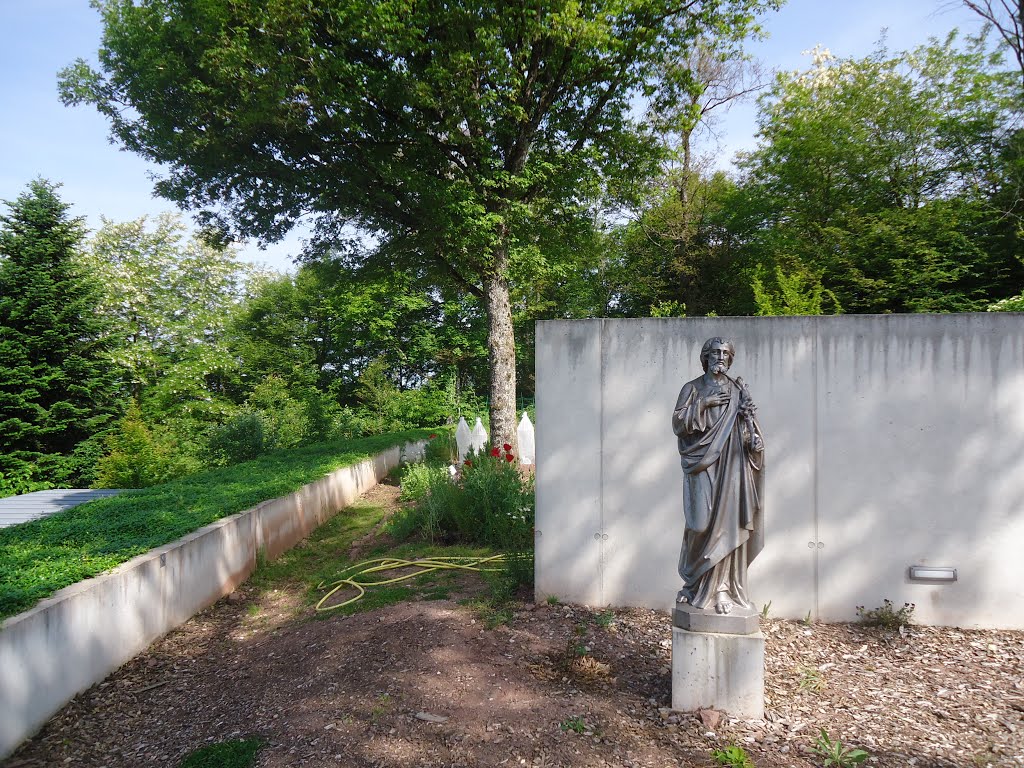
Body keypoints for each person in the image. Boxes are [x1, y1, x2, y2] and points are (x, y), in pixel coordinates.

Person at [672, 337, 764, 615]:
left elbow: (748, 424)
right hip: (701, 464)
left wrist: (753, 442)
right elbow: (678, 423)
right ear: (706, 356)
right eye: (715, 352)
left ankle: (721, 588)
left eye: (725, 353)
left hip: (732, 465)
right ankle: (693, 583)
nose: (720, 357)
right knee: (699, 524)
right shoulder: (692, 388)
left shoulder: (738, 390)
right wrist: (704, 403)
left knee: (728, 525)